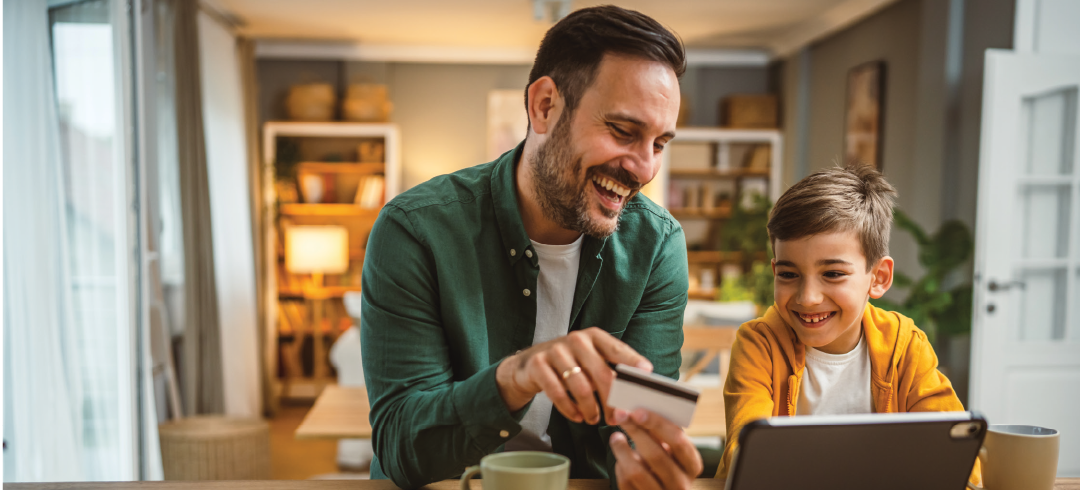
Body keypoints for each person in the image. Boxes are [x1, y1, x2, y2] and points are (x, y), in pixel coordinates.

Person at [360, 5, 703, 489]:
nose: (645, 169)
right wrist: (515, 377)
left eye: (660, 143)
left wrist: (647, 453)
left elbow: (641, 418)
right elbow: (402, 450)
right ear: (544, 106)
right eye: (624, 132)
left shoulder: (658, 247)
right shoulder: (415, 230)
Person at [715, 165, 977, 482]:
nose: (807, 297)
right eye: (788, 274)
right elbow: (746, 456)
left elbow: (956, 456)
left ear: (878, 278)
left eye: (833, 274)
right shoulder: (759, 345)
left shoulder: (906, 346)